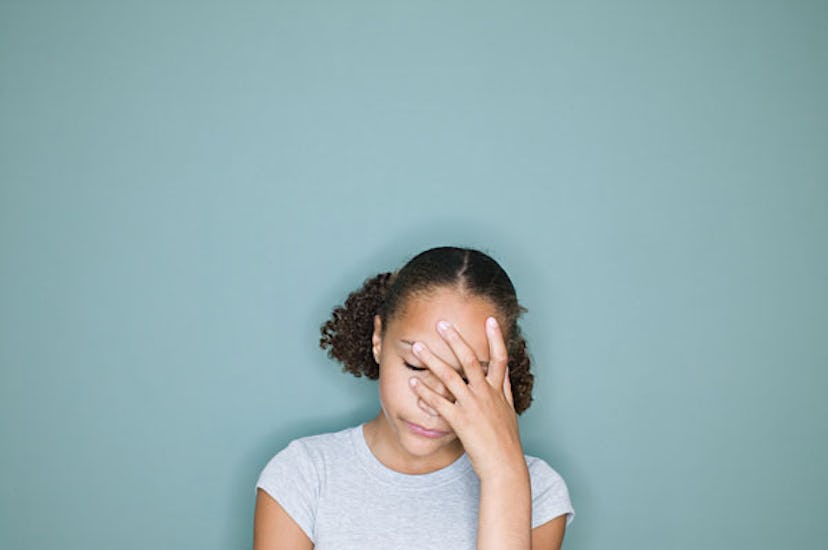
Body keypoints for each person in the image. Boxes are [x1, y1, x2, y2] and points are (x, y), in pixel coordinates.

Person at [254, 246, 575, 549]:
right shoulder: (303, 476)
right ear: (378, 339)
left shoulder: (537, 490)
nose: (433, 402)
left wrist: (503, 475)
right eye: (417, 364)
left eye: (465, 378)